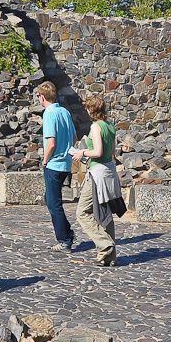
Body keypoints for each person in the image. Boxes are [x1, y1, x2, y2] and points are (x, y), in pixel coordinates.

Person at [72, 95, 126, 267]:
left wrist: (82, 153)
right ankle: (110, 257)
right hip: (110, 171)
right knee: (106, 213)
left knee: (82, 212)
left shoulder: (96, 127)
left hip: (98, 174)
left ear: (90, 109)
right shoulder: (110, 126)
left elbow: (97, 152)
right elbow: (112, 152)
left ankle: (105, 244)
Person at [38, 81, 77, 252]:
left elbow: (51, 143)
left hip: (53, 164)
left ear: (42, 97)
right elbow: (74, 137)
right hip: (66, 164)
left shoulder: (49, 114)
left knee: (54, 204)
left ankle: (65, 239)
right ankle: (67, 232)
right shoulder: (65, 112)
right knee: (51, 199)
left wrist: (45, 161)